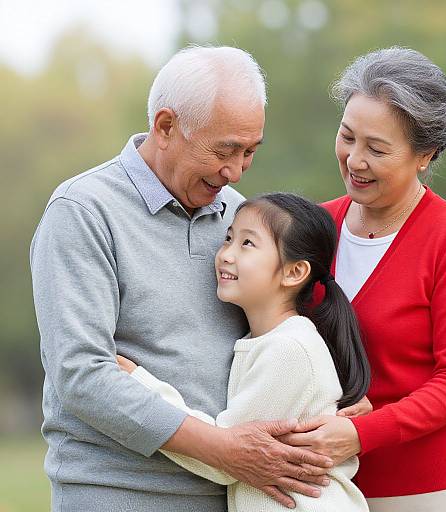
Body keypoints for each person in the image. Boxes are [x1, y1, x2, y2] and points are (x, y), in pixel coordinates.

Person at [30, 46, 333, 512]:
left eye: (250, 151)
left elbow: (285, 329)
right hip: (119, 497)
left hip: (232, 496)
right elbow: (81, 375)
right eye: (224, 150)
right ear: (166, 127)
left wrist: (339, 402)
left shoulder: (239, 216)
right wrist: (223, 449)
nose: (234, 170)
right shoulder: (83, 212)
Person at [279, 47, 446, 511]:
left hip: (431, 491)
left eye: (376, 149)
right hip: (329, 491)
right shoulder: (314, 228)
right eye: (347, 136)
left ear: (425, 155)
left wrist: (360, 433)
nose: (355, 160)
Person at [117, 192, 372, 511]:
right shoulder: (266, 340)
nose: (225, 254)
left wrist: (136, 382)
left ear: (294, 272)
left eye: (247, 244)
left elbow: (223, 457)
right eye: (228, 238)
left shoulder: (288, 349)